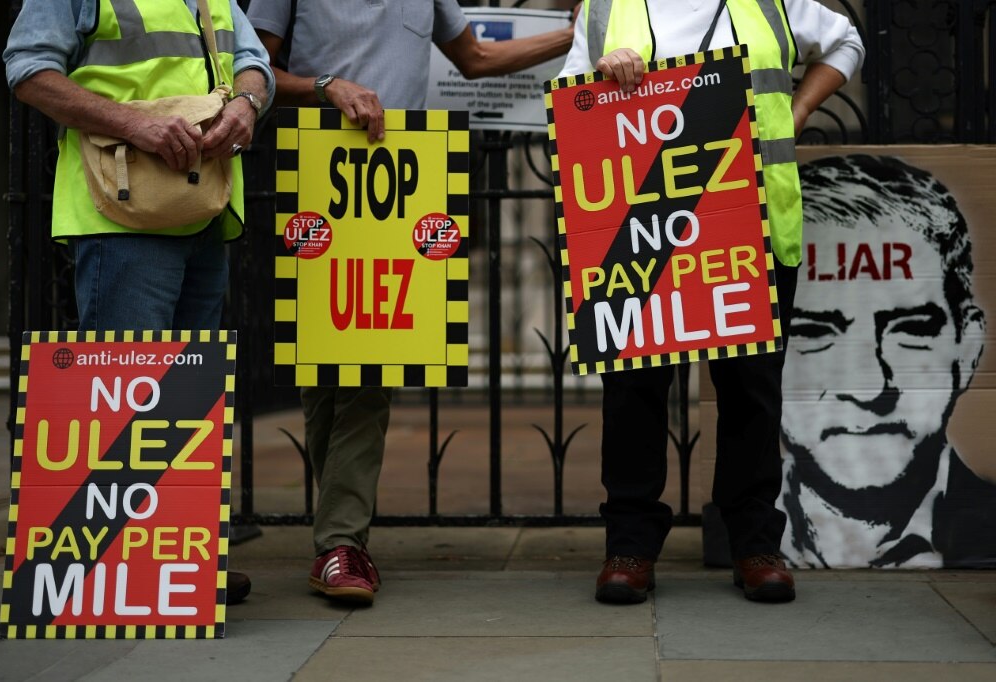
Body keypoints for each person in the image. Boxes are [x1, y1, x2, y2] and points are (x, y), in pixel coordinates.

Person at [245, 0, 576, 605]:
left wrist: (575, 36)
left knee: (373, 364)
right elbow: (255, 74)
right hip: (315, 174)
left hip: (402, 177)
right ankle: (338, 539)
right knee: (322, 366)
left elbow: (474, 58)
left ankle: (342, 541)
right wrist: (327, 86)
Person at [558, 0, 864, 603]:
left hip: (750, 229)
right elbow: (571, 102)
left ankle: (754, 544)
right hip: (640, 229)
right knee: (634, 391)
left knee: (750, 388)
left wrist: (799, 110)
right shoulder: (603, 10)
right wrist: (597, 73)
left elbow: (847, 42)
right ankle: (630, 547)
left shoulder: (772, 3)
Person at [3, 0, 275, 605]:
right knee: (122, 405)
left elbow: (256, 63)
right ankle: (114, 573)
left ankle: (183, 561)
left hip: (203, 212)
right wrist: (132, 122)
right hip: (121, 218)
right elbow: (26, 68)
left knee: (187, 409)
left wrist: (245, 104)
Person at [779, 154, 996, 569]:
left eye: (910, 330)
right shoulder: (749, 531)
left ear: (967, 347)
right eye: (813, 332)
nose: (869, 388)